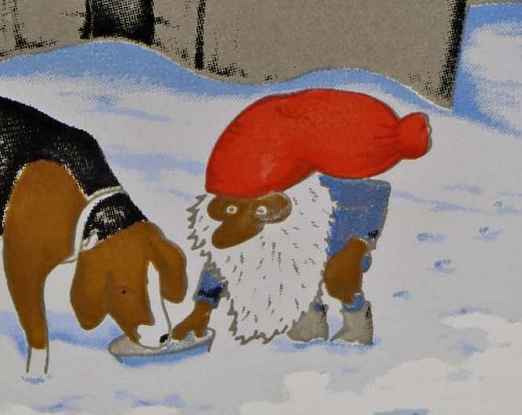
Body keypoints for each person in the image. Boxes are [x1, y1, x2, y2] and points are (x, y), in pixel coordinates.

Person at [170, 89, 430, 346]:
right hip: (295, 283)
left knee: (340, 279)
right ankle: (307, 321)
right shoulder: (243, 224)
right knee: (298, 304)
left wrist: (356, 247)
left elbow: (376, 195)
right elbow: (224, 263)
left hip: (337, 251)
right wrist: (202, 309)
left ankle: (356, 320)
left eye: (258, 210)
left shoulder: (325, 192)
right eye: (230, 210)